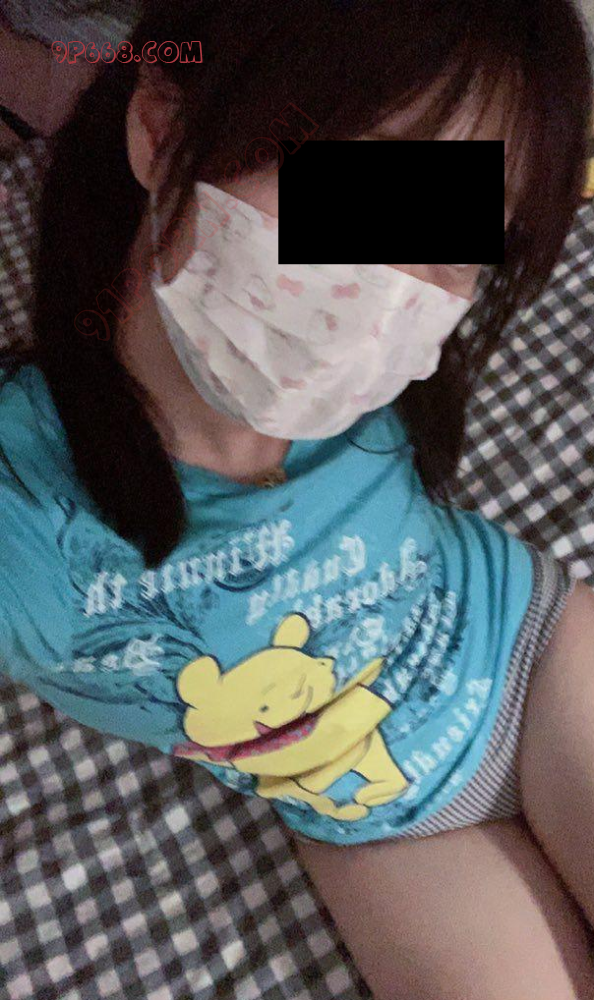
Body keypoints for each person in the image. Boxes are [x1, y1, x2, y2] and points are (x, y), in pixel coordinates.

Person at [1, 2, 594, 997]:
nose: (397, 286)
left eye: (455, 233)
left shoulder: (368, 385)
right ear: (162, 127)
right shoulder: (31, 524)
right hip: (372, 821)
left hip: (530, 658)